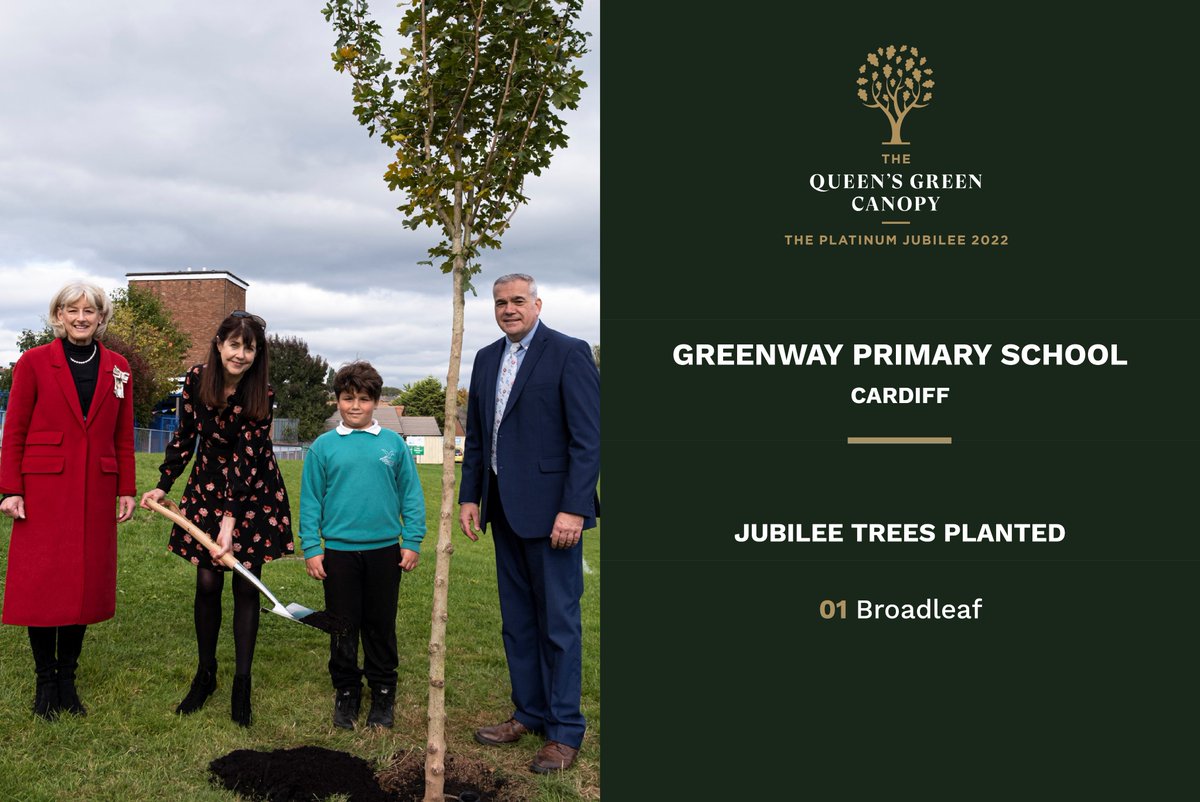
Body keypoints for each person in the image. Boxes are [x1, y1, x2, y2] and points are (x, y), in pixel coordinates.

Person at [459, 273, 600, 773]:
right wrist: (470, 497)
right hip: (502, 510)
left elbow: (589, 438)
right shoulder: (484, 359)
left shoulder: (569, 352)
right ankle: (529, 712)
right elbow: (477, 436)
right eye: (501, 302)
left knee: (559, 626)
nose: (509, 309)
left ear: (537, 303)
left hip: (553, 515)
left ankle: (563, 732)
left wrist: (575, 507)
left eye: (519, 300)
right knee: (517, 623)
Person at [139, 311, 293, 727]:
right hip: (206, 486)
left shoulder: (261, 393)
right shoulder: (196, 379)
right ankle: (206, 673)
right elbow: (185, 434)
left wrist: (230, 521)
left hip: (253, 493)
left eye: (249, 347)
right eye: (234, 344)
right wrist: (164, 483)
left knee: (245, 585)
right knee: (207, 582)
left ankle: (242, 683)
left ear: (257, 353)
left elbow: (247, 460)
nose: (240, 355)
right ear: (219, 343)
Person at [0, 281, 136, 720]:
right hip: (43, 490)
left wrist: (126, 488)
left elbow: (122, 436)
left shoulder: (119, 368)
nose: (80, 317)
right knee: (42, 583)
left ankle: (67, 680)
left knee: (81, 584)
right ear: (57, 315)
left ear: (101, 317)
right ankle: (45, 682)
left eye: (89, 311)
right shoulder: (34, 362)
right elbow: (15, 429)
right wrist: (10, 488)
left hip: (96, 489)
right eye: (71, 310)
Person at [299, 361, 426, 730]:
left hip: (385, 552)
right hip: (338, 553)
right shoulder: (323, 448)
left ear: (377, 402)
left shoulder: (393, 446)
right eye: (347, 398)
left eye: (364, 399)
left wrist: (412, 539)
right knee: (341, 624)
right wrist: (312, 547)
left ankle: (384, 691)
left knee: (379, 623)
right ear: (337, 400)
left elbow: (412, 497)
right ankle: (346, 691)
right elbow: (311, 501)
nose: (355, 406)